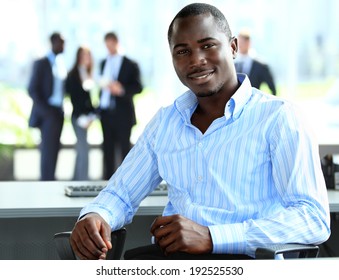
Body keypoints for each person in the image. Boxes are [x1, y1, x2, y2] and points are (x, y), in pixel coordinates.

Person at [70, 3, 330, 260]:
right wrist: (98, 214)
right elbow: (121, 193)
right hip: (174, 263)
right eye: (182, 51)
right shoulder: (166, 122)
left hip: (247, 266)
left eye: (208, 46)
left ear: (233, 47)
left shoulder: (279, 118)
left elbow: (312, 218)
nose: (196, 60)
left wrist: (213, 237)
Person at [98, 32, 143, 179]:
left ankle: (126, 181)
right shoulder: (103, 63)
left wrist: (121, 90)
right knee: (107, 151)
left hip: (123, 114)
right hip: (106, 113)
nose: (109, 48)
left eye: (111, 44)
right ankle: (107, 182)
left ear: (116, 43)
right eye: (106, 45)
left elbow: (138, 87)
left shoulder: (131, 64)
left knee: (124, 150)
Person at [28, 32, 67, 181]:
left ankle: (51, 180)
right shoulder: (42, 62)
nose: (63, 46)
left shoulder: (60, 63)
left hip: (59, 112)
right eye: (61, 43)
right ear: (53, 43)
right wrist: (46, 111)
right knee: (47, 151)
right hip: (48, 113)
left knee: (55, 149)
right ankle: (46, 182)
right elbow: (32, 89)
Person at [65, 46, 96, 180]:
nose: (86, 58)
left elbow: (89, 100)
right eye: (83, 55)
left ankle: (76, 179)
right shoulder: (73, 75)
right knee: (84, 150)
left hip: (86, 117)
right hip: (78, 118)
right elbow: (75, 100)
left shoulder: (87, 73)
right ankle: (82, 180)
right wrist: (84, 118)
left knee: (81, 150)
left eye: (88, 55)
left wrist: (93, 115)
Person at [234, 29, 277, 95]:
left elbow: (272, 89)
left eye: (242, 42)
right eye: (238, 43)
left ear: (249, 42)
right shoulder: (234, 64)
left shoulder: (261, 65)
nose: (239, 45)